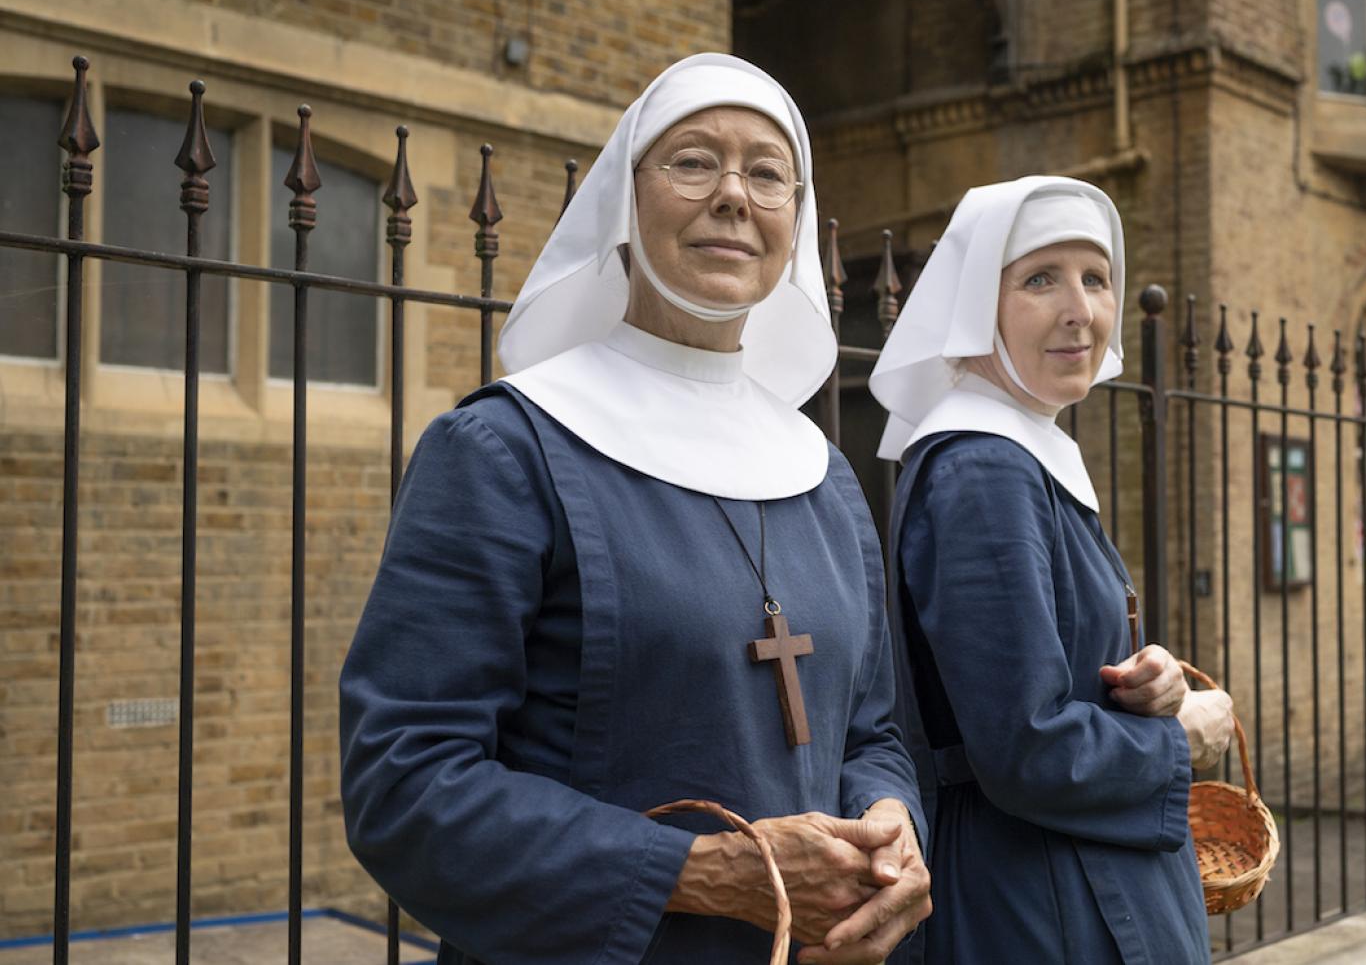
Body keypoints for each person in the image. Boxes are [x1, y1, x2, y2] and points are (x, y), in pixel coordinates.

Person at [339, 53, 929, 965]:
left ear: (796, 223)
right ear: (626, 201)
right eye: (694, 161)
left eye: (768, 172)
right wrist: (706, 871)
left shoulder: (825, 475)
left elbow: (871, 732)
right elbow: (406, 785)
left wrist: (893, 824)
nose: (734, 194)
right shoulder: (505, 451)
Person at [869, 176, 1236, 963]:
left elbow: (1059, 670)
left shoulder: (1022, 453)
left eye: (1096, 278)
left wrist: (1154, 681)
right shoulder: (983, 471)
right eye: (1041, 278)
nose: (1083, 309)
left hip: (1068, 882)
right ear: (979, 305)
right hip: (1042, 900)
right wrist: (1185, 737)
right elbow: (1027, 747)